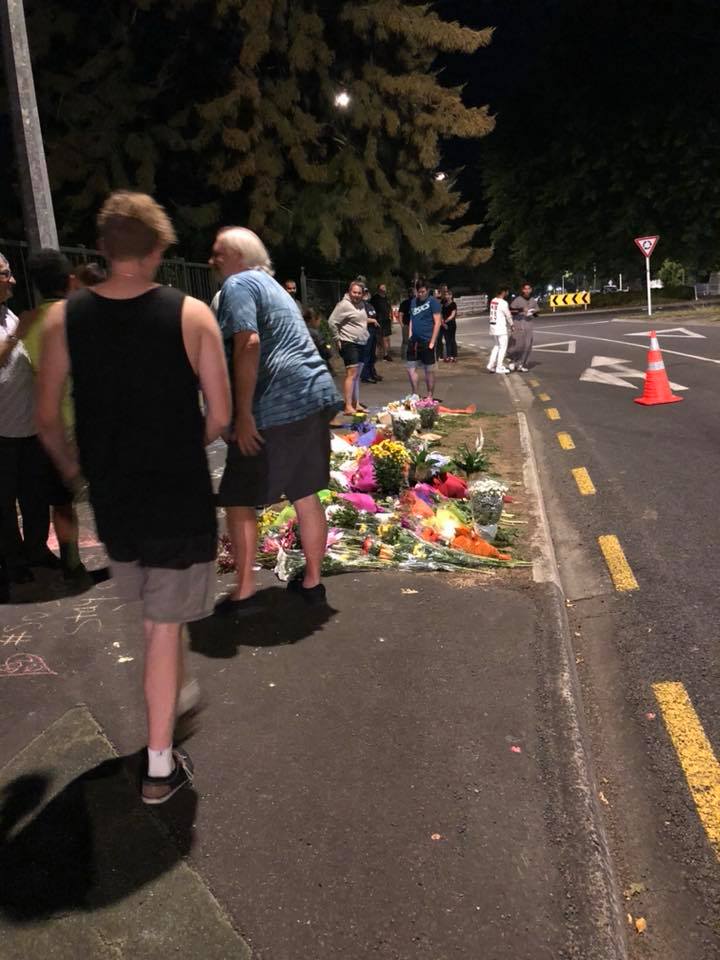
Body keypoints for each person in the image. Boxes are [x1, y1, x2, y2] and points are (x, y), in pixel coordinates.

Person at [37, 191, 231, 805]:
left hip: (115, 504)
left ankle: (170, 699)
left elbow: (47, 417)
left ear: (101, 248)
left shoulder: (68, 317)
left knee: (155, 625)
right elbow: (220, 416)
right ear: (158, 248)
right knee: (160, 630)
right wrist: (180, 443)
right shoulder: (192, 314)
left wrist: (77, 467)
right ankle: (157, 766)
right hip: (176, 497)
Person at [210, 226, 342, 611]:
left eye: (219, 253)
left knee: (238, 498)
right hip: (313, 396)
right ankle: (313, 583)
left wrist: (245, 414)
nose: (213, 261)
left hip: (277, 405)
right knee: (304, 493)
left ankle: (246, 590)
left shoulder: (238, 285)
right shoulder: (274, 289)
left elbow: (248, 343)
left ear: (239, 256)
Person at [20, 249, 87, 581]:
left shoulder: (27, 323)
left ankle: (72, 561)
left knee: (62, 500)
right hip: (86, 419)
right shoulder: (80, 317)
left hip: (47, 426)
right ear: (70, 280)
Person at [0, 253, 58, 584]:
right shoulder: (12, 323)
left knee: (36, 496)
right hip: (2, 430)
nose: (12, 280)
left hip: (29, 425)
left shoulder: (8, 314)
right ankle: (13, 560)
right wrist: (17, 335)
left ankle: (37, 549)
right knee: (4, 503)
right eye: (5, 274)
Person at [328, 280, 371, 414]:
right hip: (349, 342)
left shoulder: (362, 304)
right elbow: (332, 321)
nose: (357, 295)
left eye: (359, 293)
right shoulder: (344, 305)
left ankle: (355, 403)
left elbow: (359, 320)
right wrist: (337, 338)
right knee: (351, 374)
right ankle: (347, 406)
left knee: (357, 375)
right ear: (349, 291)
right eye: (354, 292)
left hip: (362, 342)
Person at [406, 280, 442, 398]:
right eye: (418, 292)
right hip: (414, 341)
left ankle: (429, 395)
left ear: (427, 290)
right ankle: (415, 394)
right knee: (410, 369)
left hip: (427, 341)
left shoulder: (433, 302)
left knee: (429, 370)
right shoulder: (413, 302)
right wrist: (410, 335)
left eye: (423, 292)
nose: (420, 294)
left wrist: (432, 342)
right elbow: (412, 319)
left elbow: (437, 323)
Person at [508, 282, 539, 372]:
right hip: (518, 324)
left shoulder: (533, 300)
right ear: (522, 290)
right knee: (517, 345)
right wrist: (521, 310)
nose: (527, 290)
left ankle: (521, 364)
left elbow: (537, 314)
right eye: (525, 289)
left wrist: (533, 313)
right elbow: (511, 310)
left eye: (529, 288)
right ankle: (513, 361)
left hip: (528, 325)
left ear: (531, 290)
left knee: (527, 345)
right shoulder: (518, 299)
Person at [487, 284, 513, 374]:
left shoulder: (493, 300)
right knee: (503, 347)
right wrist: (512, 325)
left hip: (493, 327)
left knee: (496, 346)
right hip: (501, 328)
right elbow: (508, 315)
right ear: (503, 292)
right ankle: (499, 367)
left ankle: (491, 365)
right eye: (507, 291)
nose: (508, 293)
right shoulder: (503, 303)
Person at [360, 287, 382, 384]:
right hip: (366, 330)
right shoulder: (360, 305)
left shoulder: (369, 305)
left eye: (367, 292)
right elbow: (361, 318)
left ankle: (372, 372)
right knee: (367, 353)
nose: (366, 294)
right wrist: (372, 320)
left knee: (372, 354)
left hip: (373, 331)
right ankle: (365, 375)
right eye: (364, 293)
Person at [371, 283, 393, 360]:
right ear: (379, 289)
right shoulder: (375, 298)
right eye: (382, 287)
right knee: (379, 339)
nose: (384, 288)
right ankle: (378, 355)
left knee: (386, 338)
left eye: (385, 287)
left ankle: (386, 354)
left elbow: (389, 308)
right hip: (379, 320)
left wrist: (391, 317)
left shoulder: (386, 298)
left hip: (387, 320)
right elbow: (371, 309)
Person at [398, 285, 415, 361]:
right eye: (411, 292)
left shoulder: (418, 302)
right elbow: (400, 314)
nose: (412, 294)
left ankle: (413, 356)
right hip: (407, 325)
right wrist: (402, 325)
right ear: (409, 293)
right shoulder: (404, 303)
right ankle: (404, 357)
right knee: (406, 342)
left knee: (415, 341)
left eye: (414, 292)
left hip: (416, 325)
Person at [441, 290, 458, 363]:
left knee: (452, 340)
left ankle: (454, 356)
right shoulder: (443, 303)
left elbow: (452, 315)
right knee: (447, 341)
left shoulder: (453, 304)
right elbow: (440, 313)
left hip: (451, 324)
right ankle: (448, 356)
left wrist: (445, 321)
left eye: (448, 295)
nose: (446, 296)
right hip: (444, 324)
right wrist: (443, 322)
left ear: (451, 296)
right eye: (445, 295)